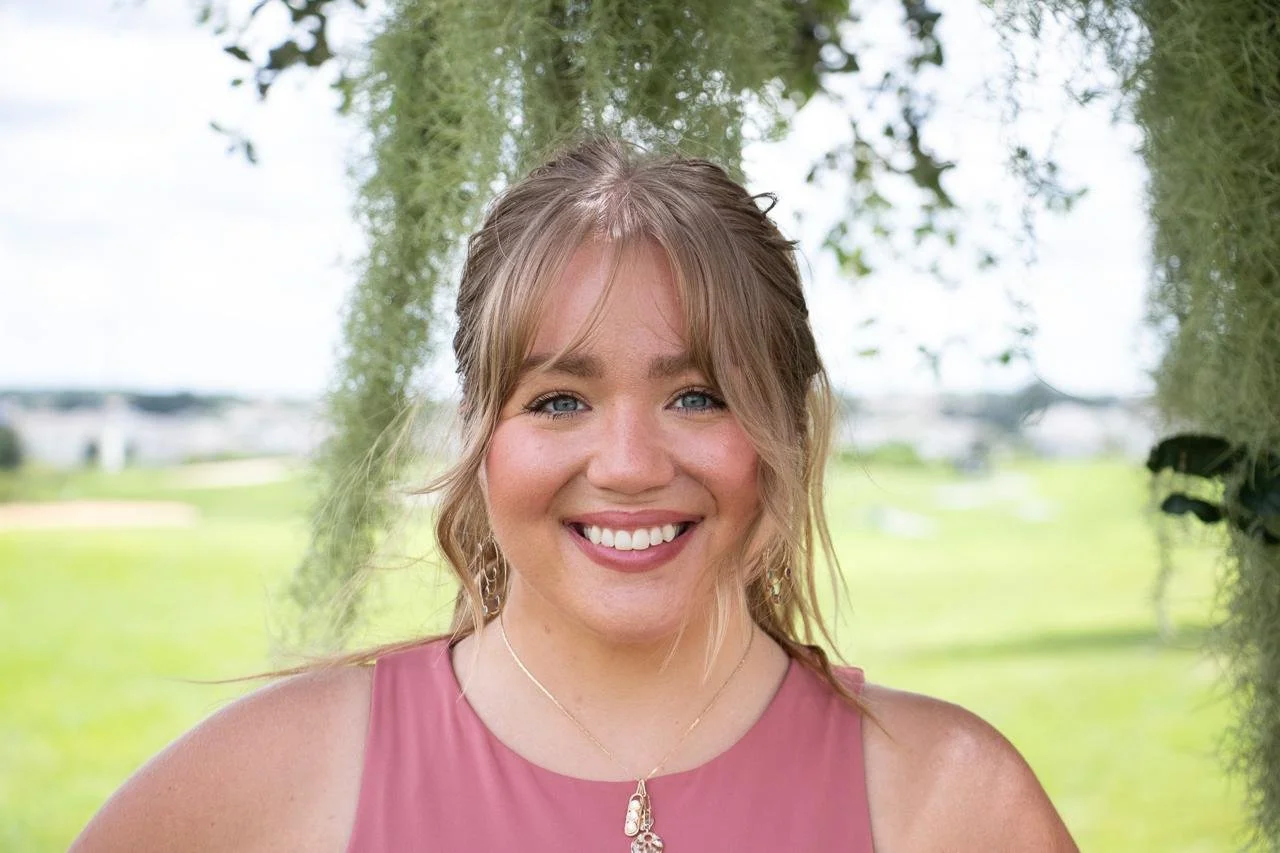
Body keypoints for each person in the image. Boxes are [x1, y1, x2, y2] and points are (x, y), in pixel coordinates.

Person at [72, 137, 1077, 852]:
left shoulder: (948, 800)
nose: (630, 461)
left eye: (696, 394)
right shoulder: (271, 781)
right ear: (481, 433)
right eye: (558, 399)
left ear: (783, 429)